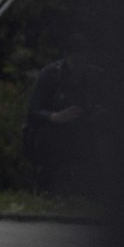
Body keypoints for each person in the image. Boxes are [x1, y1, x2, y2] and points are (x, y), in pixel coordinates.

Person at [23, 35, 103, 195]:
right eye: (76, 61)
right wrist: (55, 116)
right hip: (54, 132)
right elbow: (33, 110)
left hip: (85, 128)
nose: (79, 66)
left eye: (83, 61)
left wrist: (92, 113)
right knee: (51, 141)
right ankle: (46, 188)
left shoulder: (95, 76)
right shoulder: (50, 74)